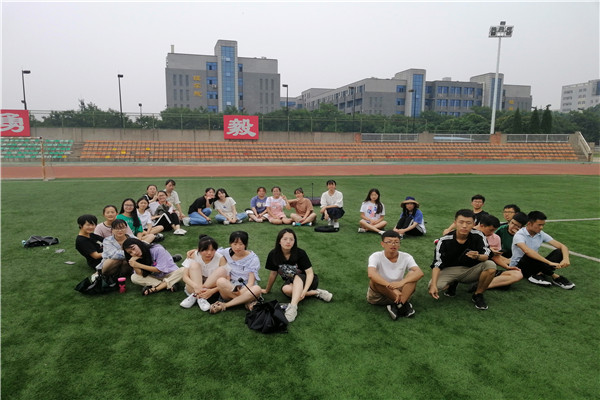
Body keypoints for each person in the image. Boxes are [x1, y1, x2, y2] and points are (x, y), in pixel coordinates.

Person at [429, 209, 496, 310]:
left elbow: (487, 255)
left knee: (490, 265)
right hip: (450, 270)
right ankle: (452, 283)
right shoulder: (444, 240)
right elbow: (437, 264)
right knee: (433, 286)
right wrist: (434, 285)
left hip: (470, 270)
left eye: (468, 223)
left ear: (473, 224)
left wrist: (477, 256)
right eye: (461, 222)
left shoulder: (478, 235)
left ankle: (478, 294)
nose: (464, 226)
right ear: (455, 223)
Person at [263, 228, 333, 322]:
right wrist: (267, 290)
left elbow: (310, 273)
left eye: (291, 239)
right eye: (285, 239)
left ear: (294, 241)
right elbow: (273, 273)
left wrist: (304, 290)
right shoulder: (273, 254)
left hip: (308, 280)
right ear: (279, 241)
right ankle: (316, 292)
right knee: (286, 289)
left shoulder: (300, 253)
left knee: (297, 277)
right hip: (292, 282)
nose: (288, 242)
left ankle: (293, 307)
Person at [367, 230, 424, 320]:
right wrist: (392, 288)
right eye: (389, 242)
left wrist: (402, 283)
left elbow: (419, 273)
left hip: (400, 293)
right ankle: (404, 306)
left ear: (399, 244)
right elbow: (371, 274)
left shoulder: (406, 256)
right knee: (374, 280)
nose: (393, 244)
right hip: (380, 295)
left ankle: (398, 305)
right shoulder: (376, 256)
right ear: (382, 244)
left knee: (413, 274)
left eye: (396, 242)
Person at [510, 211, 574, 289]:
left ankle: (538, 274)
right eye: (539, 225)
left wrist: (566, 259)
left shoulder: (540, 234)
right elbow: (527, 251)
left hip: (535, 263)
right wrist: (549, 262)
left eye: (543, 225)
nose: (541, 227)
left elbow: (562, 246)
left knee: (559, 252)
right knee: (530, 254)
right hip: (519, 266)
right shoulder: (519, 235)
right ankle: (555, 276)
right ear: (529, 224)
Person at [209, 231, 262, 313]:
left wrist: (240, 293)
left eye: (241, 244)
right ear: (230, 244)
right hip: (230, 286)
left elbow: (251, 283)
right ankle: (245, 301)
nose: (237, 247)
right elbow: (211, 251)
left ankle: (225, 305)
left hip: (246, 287)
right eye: (235, 244)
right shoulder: (226, 252)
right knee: (220, 281)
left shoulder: (253, 259)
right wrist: (195, 251)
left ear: (245, 244)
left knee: (257, 289)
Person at [180, 235, 228, 311]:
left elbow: (227, 279)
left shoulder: (220, 258)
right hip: (193, 286)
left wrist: (212, 291)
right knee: (194, 265)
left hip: (210, 288)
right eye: (206, 250)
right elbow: (185, 277)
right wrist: (195, 286)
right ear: (199, 249)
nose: (209, 253)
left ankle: (197, 296)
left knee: (222, 270)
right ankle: (198, 296)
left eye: (212, 250)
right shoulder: (193, 255)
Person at [475, 214, 523, 290]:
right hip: (472, 267)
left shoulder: (496, 238)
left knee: (518, 274)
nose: (492, 233)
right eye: (491, 230)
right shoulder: (469, 234)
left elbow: (496, 257)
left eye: (494, 230)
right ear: (482, 226)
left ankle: (481, 286)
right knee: (490, 265)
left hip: (489, 269)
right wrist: (489, 250)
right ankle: (489, 284)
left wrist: (508, 267)